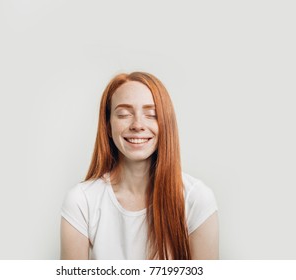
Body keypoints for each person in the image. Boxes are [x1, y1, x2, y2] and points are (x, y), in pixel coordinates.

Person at [60, 72, 218, 260]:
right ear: (108, 126)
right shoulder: (81, 201)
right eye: (124, 114)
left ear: (165, 124)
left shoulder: (196, 199)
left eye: (151, 115)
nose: (138, 125)